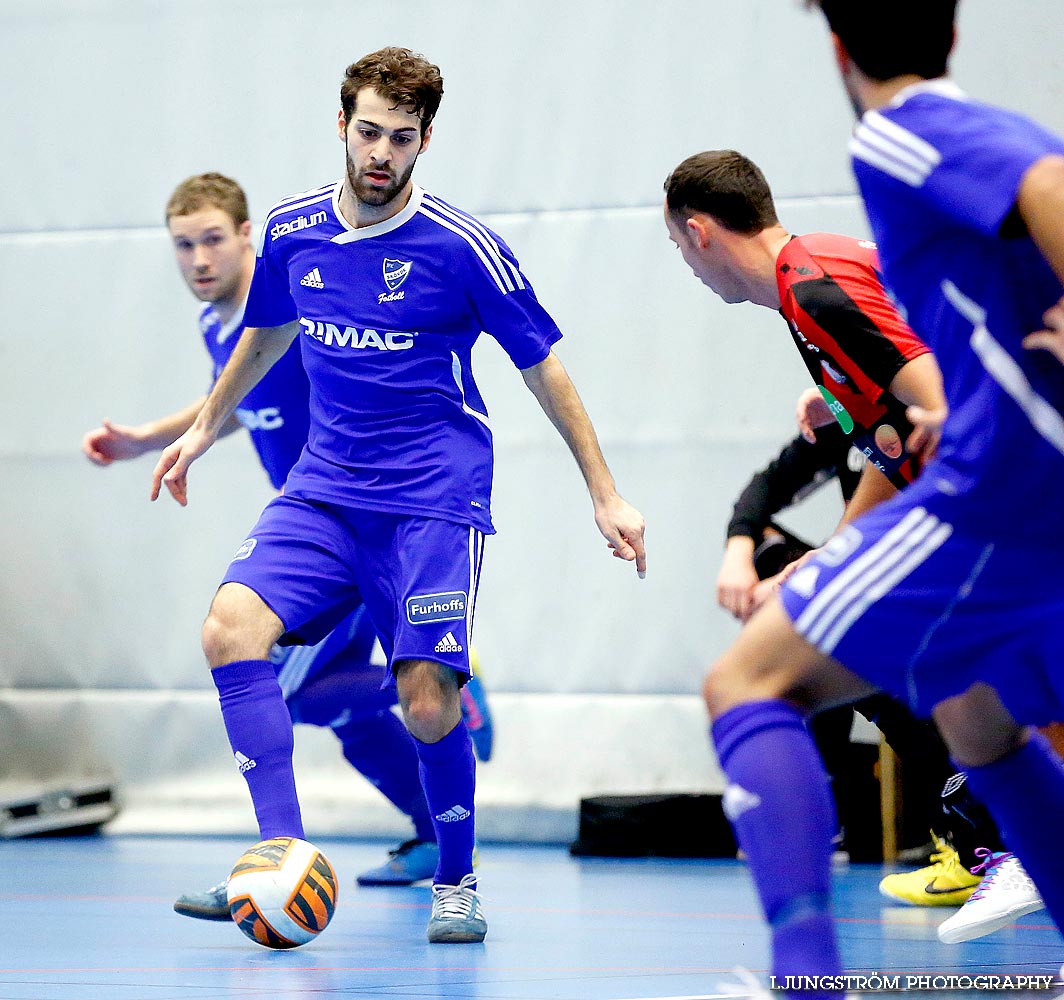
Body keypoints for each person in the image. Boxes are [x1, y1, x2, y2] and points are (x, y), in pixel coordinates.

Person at [149, 49, 646, 945]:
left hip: (433, 500)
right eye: (369, 132)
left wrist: (605, 494)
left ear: (425, 142)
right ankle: (278, 857)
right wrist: (199, 429)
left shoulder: (462, 248)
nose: (382, 152)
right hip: (325, 493)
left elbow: (545, 370)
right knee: (229, 628)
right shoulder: (297, 232)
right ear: (342, 126)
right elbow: (263, 336)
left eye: (402, 138)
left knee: (424, 699)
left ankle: (456, 880)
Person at [700, 1, 1064, 989]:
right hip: (1021, 483)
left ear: (834, 47)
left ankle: (806, 976)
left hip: (1003, 495)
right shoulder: (999, 135)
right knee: (971, 715)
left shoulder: (896, 132)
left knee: (744, 682)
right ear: (948, 29)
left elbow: (1045, 187)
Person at [82, 173, 496, 919]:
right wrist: (151, 438)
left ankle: (291, 850)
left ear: (249, 238)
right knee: (318, 699)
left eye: (213, 239)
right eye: (183, 245)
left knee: (273, 668)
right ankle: (422, 784)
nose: (199, 259)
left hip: (372, 522)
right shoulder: (221, 326)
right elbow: (245, 402)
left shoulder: (304, 305)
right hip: (315, 523)